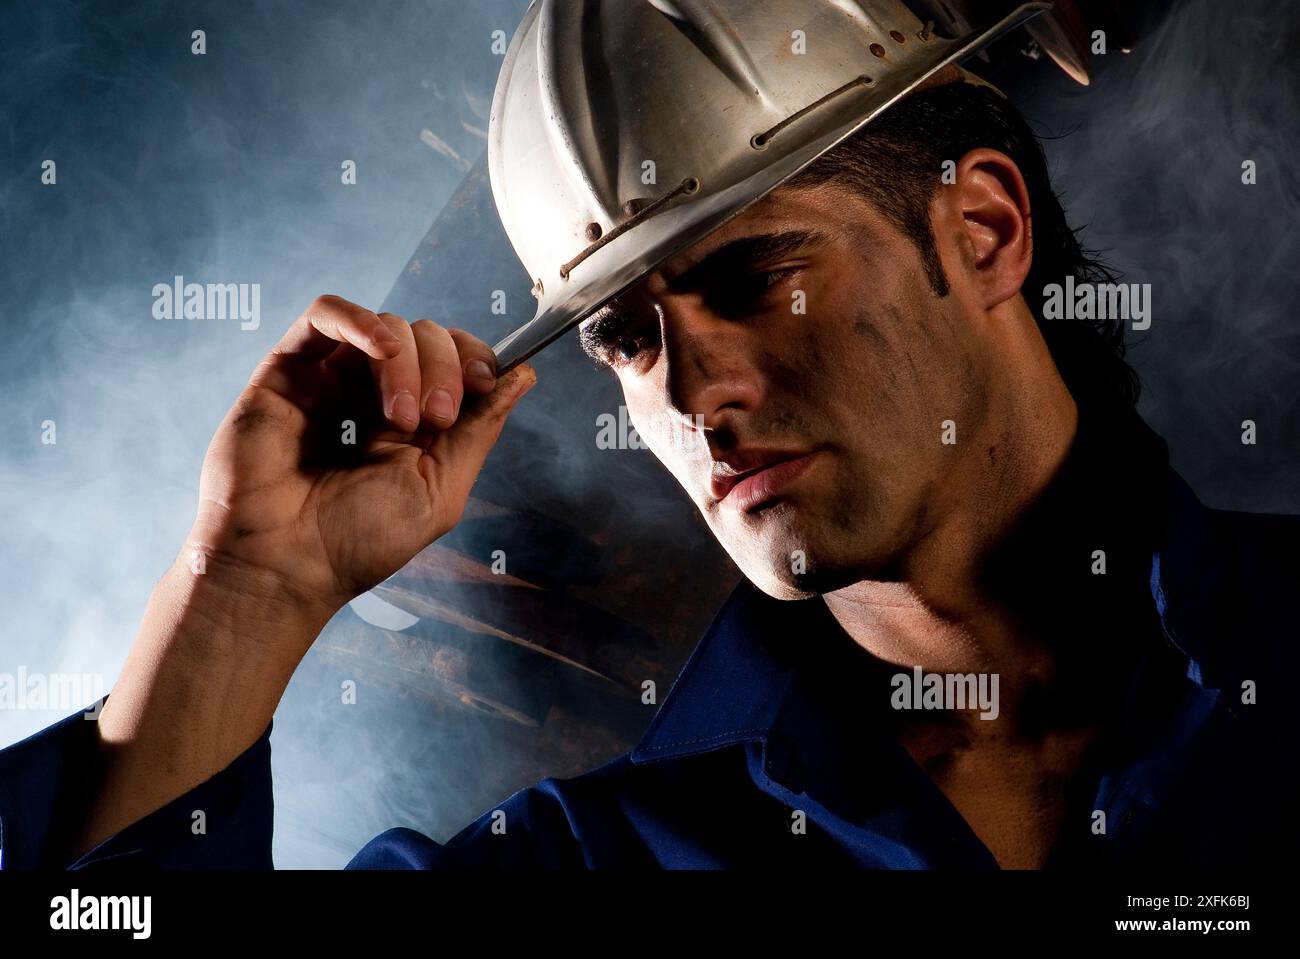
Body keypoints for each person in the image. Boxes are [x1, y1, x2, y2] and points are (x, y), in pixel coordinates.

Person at [1, 1, 1294, 871]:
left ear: (986, 231)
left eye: (754, 279)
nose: (691, 395)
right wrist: (246, 587)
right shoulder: (596, 862)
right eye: (625, 337)